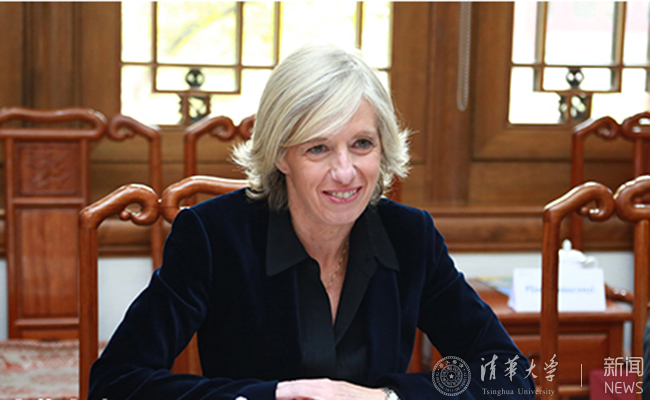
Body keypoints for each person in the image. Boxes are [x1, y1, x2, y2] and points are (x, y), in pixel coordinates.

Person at [89, 44, 535, 399]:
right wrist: (271, 396)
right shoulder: (213, 236)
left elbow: (509, 376)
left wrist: (385, 397)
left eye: (361, 144)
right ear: (281, 155)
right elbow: (117, 381)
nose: (345, 171)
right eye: (318, 148)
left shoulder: (411, 236)